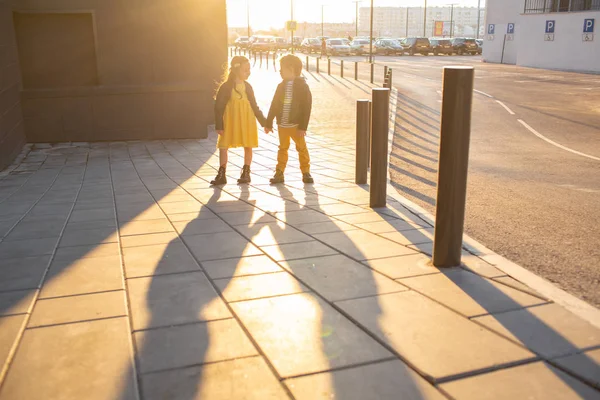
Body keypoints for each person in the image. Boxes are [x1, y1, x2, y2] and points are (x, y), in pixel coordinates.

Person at [212, 56, 269, 185]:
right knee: (223, 146)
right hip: (230, 121)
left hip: (247, 121)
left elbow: (254, 106)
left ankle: (246, 172)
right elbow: (218, 107)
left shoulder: (248, 87)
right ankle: (222, 173)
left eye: (249, 69)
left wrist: (265, 123)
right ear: (237, 70)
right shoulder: (226, 87)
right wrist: (219, 125)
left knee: (248, 145)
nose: (248, 72)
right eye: (245, 70)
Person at [266, 54, 313, 184]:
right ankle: (279, 172)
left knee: (301, 148)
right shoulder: (281, 86)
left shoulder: (303, 87)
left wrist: (303, 127)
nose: (280, 71)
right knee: (282, 148)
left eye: (282, 68)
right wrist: (268, 122)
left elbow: (306, 108)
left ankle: (306, 172)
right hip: (282, 125)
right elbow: (274, 104)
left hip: (296, 125)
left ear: (291, 68)